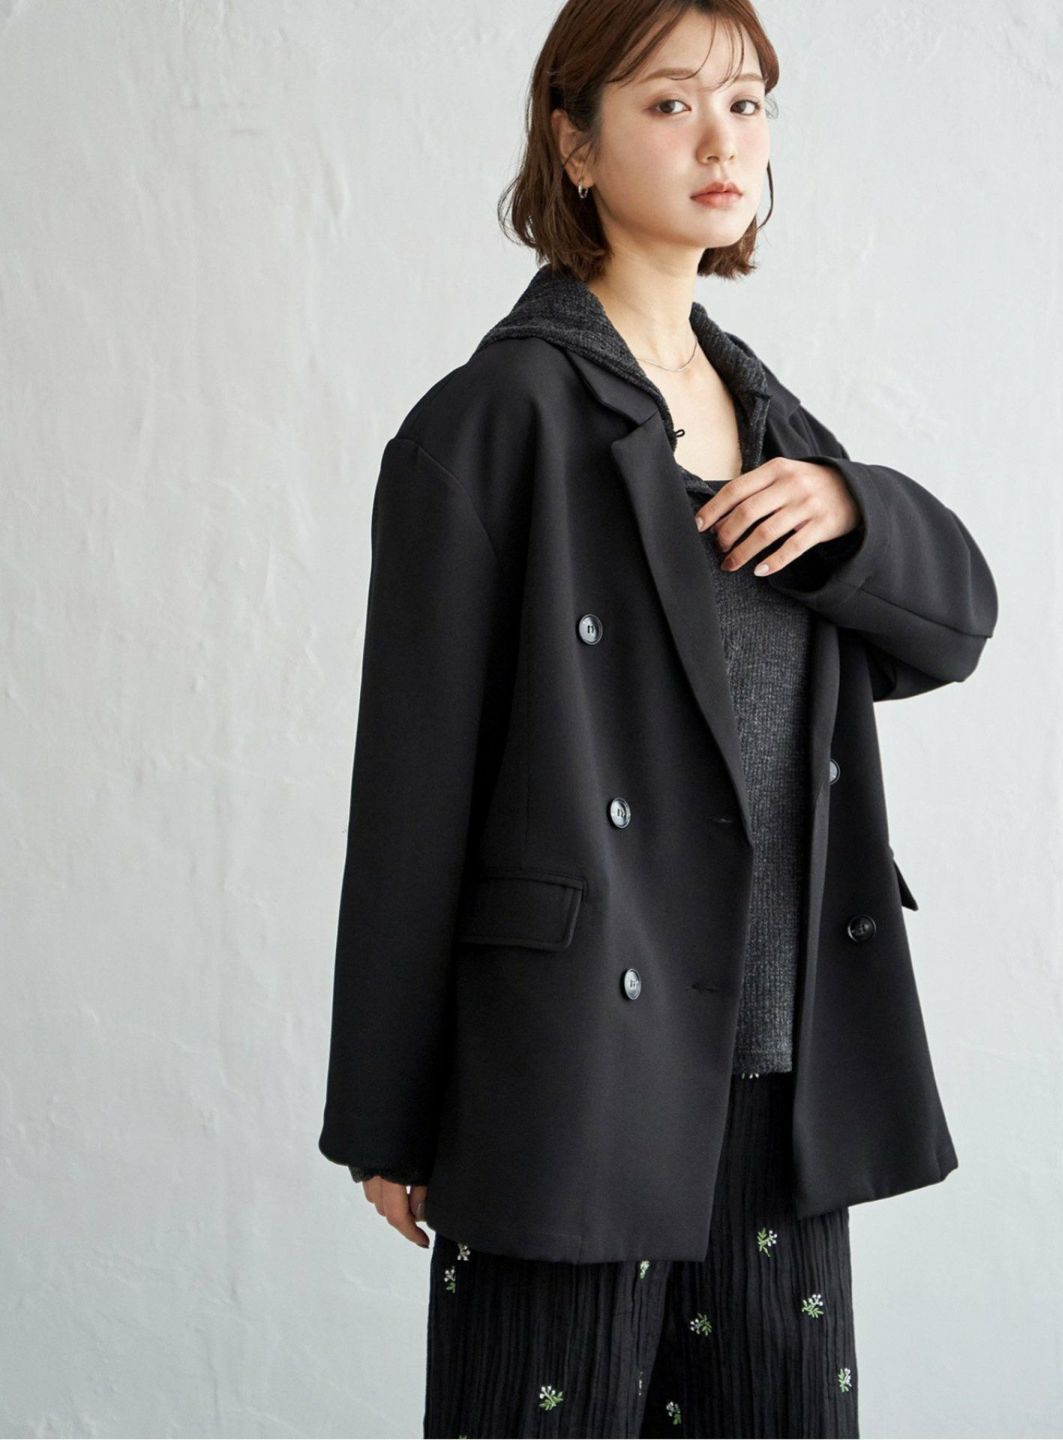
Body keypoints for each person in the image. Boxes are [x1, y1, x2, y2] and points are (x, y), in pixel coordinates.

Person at [317, 2, 999, 1436]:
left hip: (778, 1058)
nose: (721, 142)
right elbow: (412, 789)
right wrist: (387, 1111)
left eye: (746, 105)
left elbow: (951, 631)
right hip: (571, 1070)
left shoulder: (767, 418)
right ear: (575, 145)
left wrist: (855, 506)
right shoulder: (493, 421)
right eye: (672, 104)